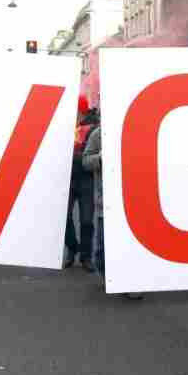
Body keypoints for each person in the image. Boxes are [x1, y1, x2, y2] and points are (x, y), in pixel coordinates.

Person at [81, 109, 142, 300]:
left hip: (131, 200)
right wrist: (99, 158)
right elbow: (85, 161)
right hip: (106, 202)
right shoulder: (98, 135)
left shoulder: (135, 132)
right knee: (102, 249)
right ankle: (109, 275)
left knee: (129, 245)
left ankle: (128, 281)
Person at [63, 96, 96, 270]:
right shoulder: (64, 126)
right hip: (67, 178)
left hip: (86, 179)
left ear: (80, 111)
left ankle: (86, 256)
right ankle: (72, 248)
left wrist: (72, 156)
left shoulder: (93, 128)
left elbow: (88, 155)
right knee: (64, 217)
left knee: (86, 220)